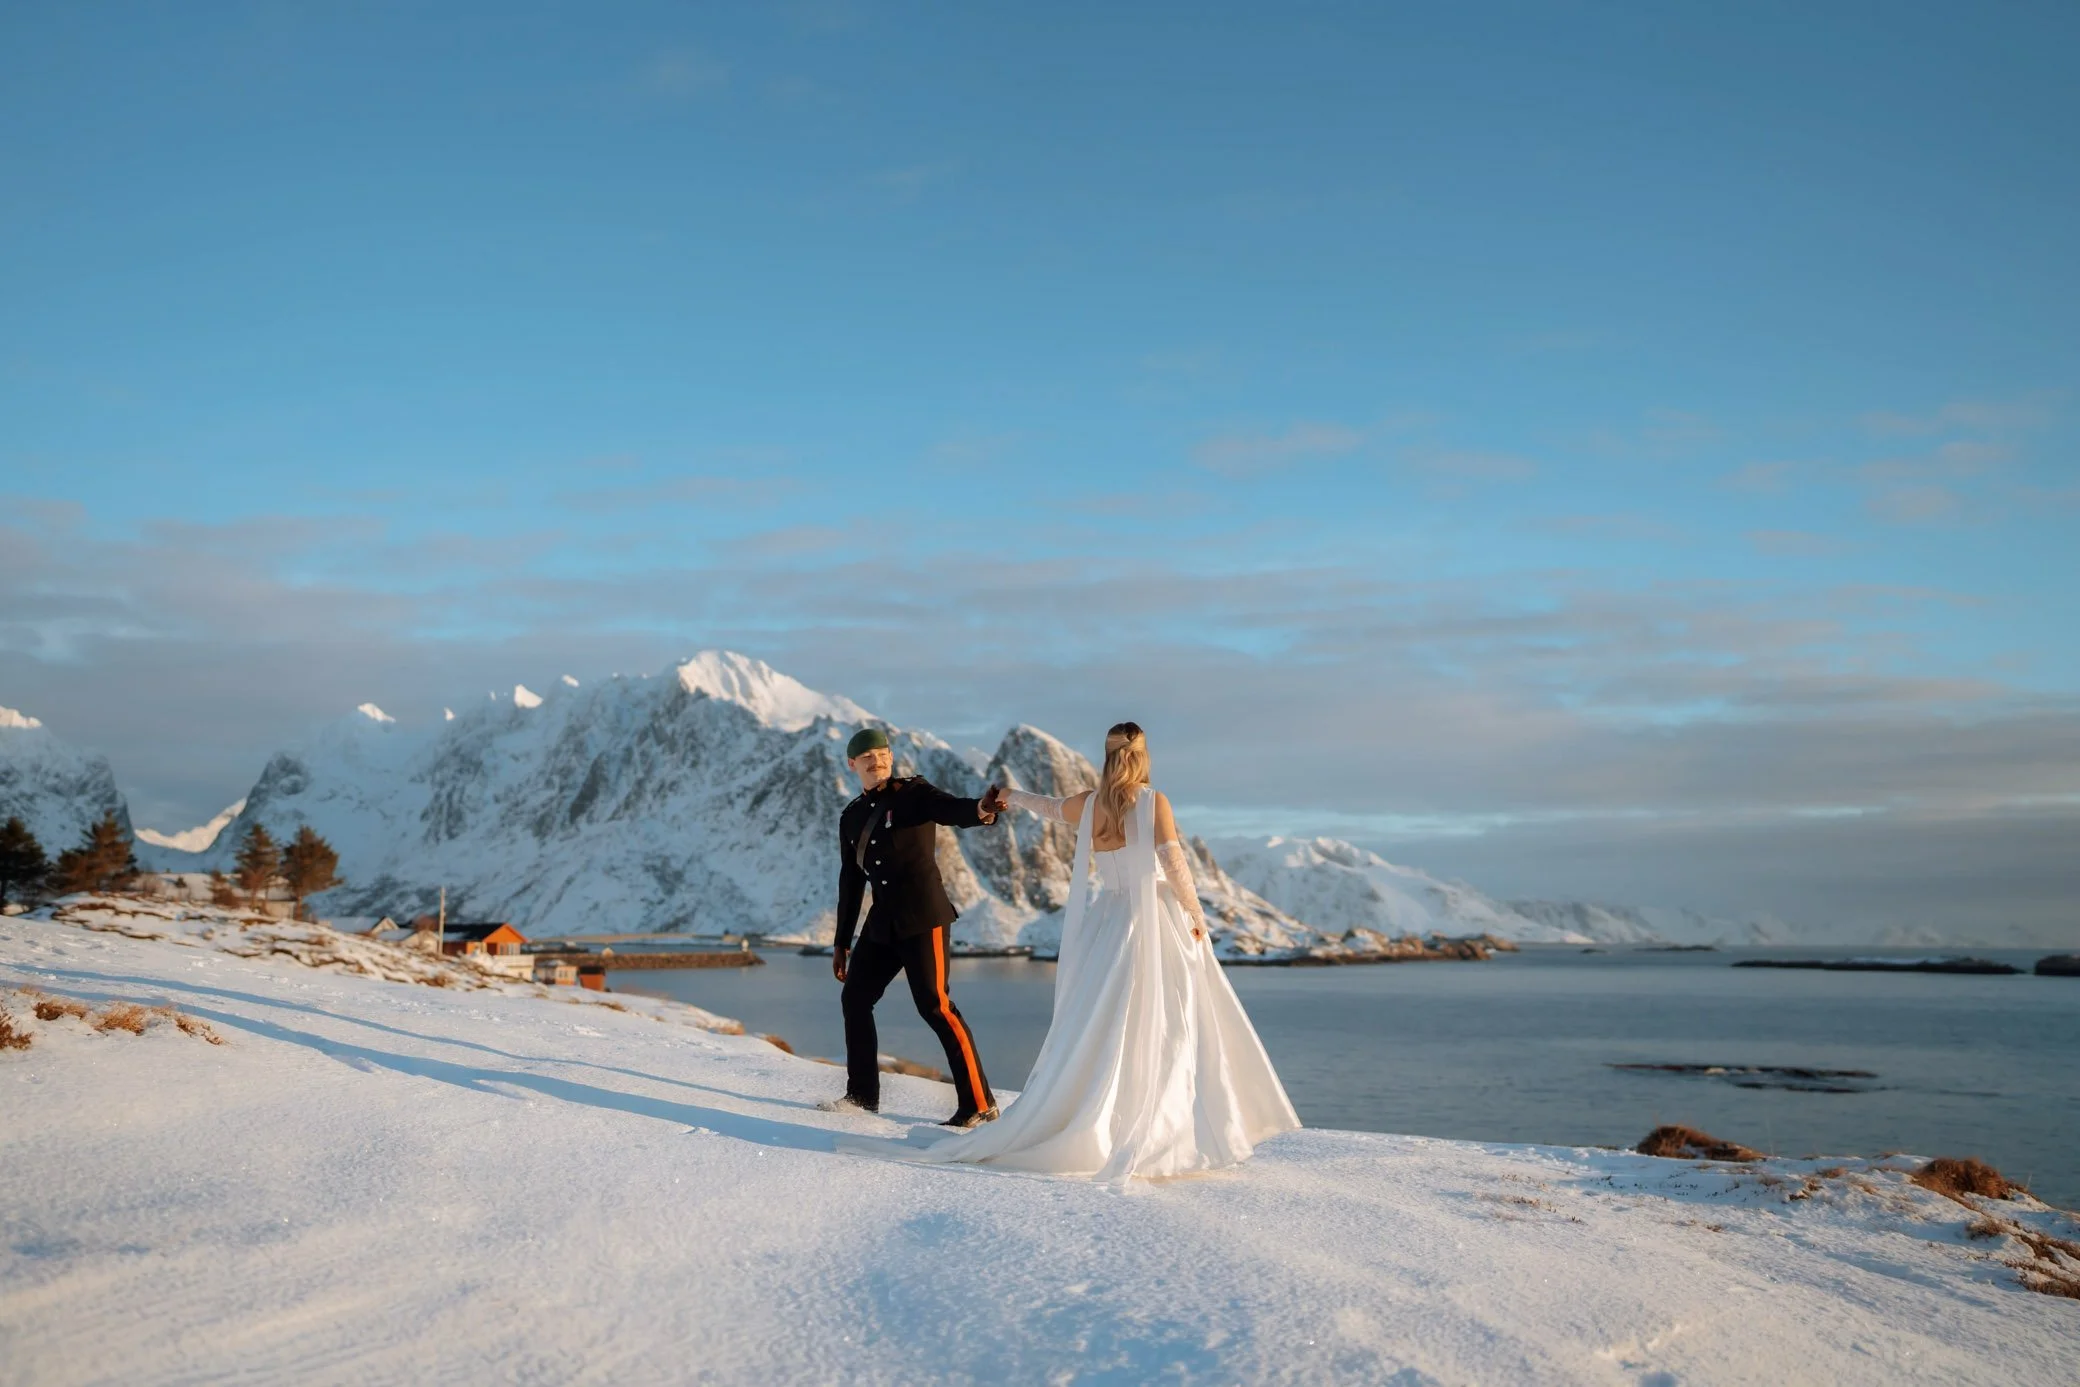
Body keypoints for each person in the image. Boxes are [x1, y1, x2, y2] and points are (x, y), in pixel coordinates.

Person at [851, 721, 1300, 1180]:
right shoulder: (1152, 802)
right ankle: (1163, 1122)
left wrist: (1011, 794)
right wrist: (1196, 918)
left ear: (1106, 758)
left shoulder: (1090, 803)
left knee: (1102, 1023)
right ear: (1144, 757)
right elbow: (1174, 863)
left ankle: (1095, 1113)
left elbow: (1047, 808)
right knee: (1166, 1021)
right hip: (1153, 919)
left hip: (1110, 922)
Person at [822, 726, 1009, 1128]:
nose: (878, 761)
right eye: (868, 757)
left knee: (936, 1006)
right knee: (855, 999)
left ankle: (980, 1104)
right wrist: (842, 942)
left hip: (924, 917)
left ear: (891, 756)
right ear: (852, 764)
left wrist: (982, 809)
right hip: (882, 923)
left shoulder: (913, 794)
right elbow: (851, 881)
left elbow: (953, 809)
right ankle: (862, 1097)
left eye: (883, 753)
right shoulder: (851, 816)